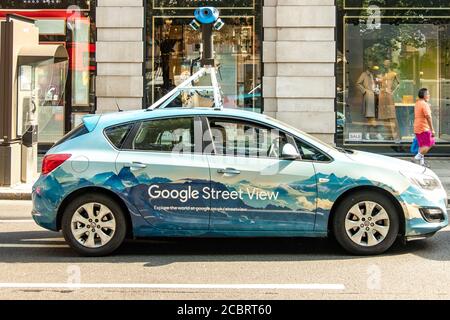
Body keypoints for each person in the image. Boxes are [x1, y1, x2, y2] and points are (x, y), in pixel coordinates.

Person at [413, 88, 435, 166]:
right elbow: (428, 117)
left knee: (422, 145)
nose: (429, 95)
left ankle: (421, 163)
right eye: (428, 94)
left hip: (417, 126)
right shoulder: (424, 104)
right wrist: (432, 130)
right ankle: (416, 158)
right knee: (431, 141)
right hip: (423, 127)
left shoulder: (418, 103)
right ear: (425, 96)